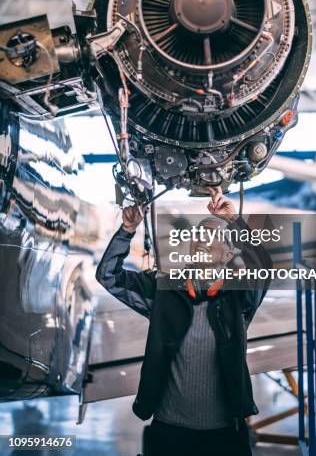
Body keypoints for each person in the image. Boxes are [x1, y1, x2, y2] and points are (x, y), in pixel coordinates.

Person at [96, 187, 272, 456]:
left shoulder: (240, 298)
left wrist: (234, 221)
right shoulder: (163, 289)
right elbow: (109, 275)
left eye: (213, 236)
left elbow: (263, 267)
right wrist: (127, 231)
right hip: (169, 433)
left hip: (223, 435)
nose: (202, 240)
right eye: (198, 235)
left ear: (227, 255)